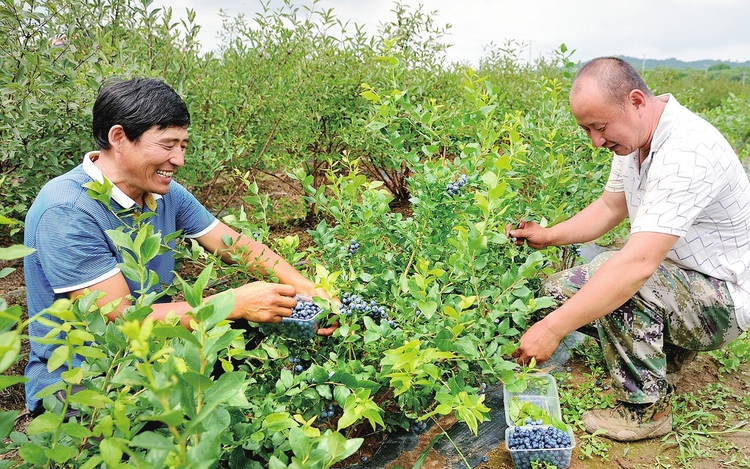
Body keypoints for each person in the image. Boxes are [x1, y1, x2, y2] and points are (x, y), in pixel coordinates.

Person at [23, 77, 335, 414]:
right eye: (168, 144)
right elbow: (120, 322)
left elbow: (238, 247)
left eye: (183, 145)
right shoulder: (67, 210)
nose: (179, 159)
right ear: (119, 137)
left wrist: (308, 288)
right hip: (87, 381)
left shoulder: (159, 191)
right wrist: (232, 302)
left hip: (153, 356)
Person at [507, 57, 750, 441]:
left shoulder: (687, 153)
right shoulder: (635, 143)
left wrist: (552, 330)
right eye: (587, 130)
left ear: (636, 101)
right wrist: (549, 235)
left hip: (722, 298)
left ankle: (646, 410)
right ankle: (663, 351)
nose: (596, 141)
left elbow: (637, 265)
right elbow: (610, 207)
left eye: (600, 127)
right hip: (679, 276)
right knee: (557, 293)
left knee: (623, 280)